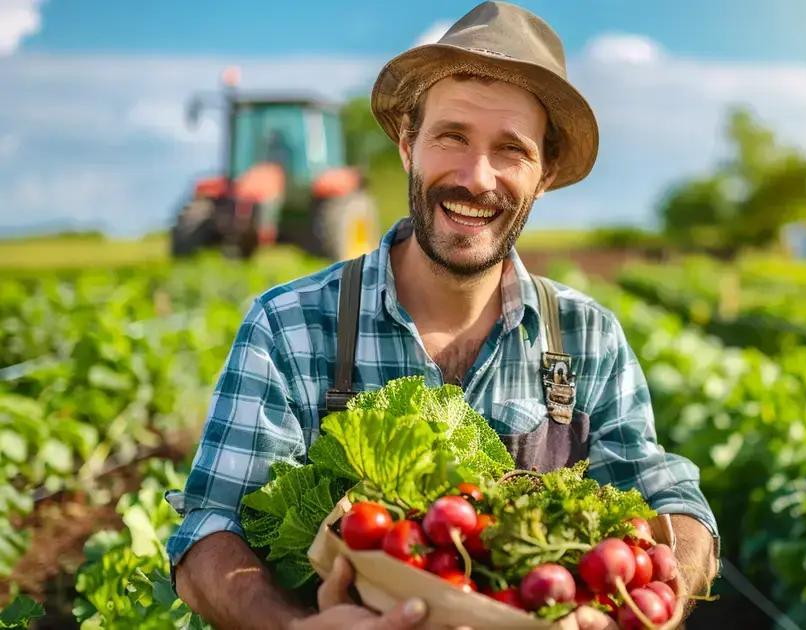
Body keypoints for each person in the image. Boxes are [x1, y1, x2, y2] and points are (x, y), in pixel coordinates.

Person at [166, 3, 719, 628]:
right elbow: (211, 527)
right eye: (451, 136)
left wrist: (663, 588)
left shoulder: (588, 337)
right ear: (408, 145)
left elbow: (667, 496)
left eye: (510, 150)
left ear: (545, 174)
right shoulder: (288, 325)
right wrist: (293, 626)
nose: (475, 177)